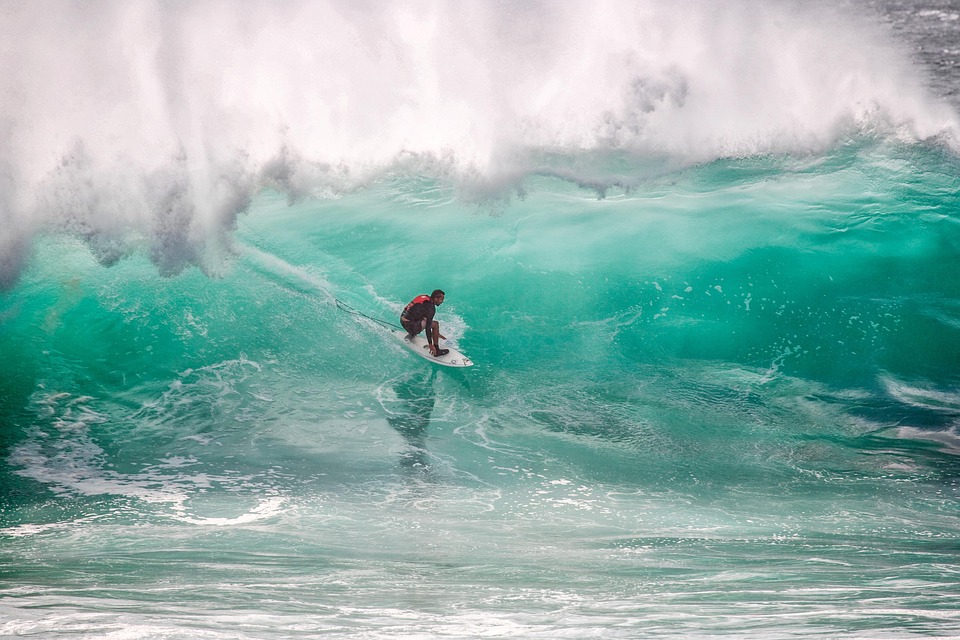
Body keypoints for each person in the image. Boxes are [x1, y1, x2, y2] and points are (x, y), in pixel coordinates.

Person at [400, 289, 448, 357]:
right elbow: (428, 327)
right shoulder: (431, 308)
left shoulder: (424, 298)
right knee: (435, 324)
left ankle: (411, 334)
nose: (442, 301)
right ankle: (437, 351)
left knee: (424, 318)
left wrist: (436, 333)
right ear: (436, 298)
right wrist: (430, 344)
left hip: (402, 320)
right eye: (441, 299)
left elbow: (416, 312)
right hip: (410, 325)